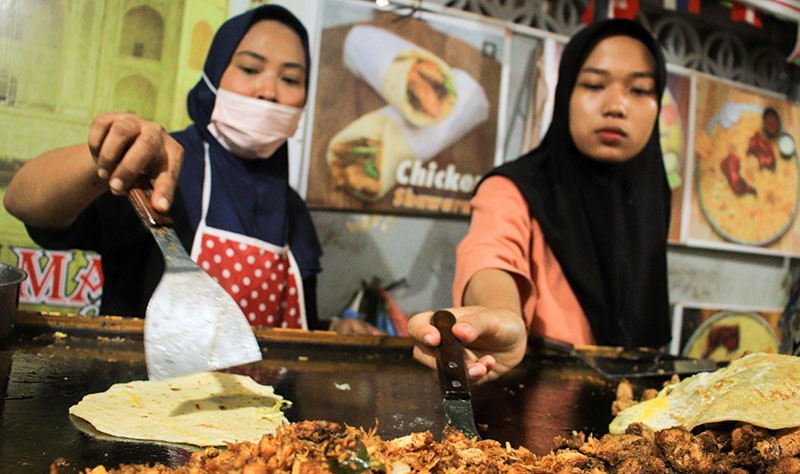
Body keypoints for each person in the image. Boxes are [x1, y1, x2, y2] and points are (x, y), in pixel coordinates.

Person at [4, 5, 379, 335]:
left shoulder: (293, 212)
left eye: (290, 79)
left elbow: (294, 328)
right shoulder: (160, 172)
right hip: (145, 407)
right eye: (250, 68)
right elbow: (24, 202)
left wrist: (333, 329)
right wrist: (106, 161)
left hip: (269, 413)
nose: (268, 91)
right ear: (214, 75)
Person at [408, 18, 672, 383]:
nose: (617, 106)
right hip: (538, 413)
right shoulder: (512, 188)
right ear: (565, 94)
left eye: (640, 90)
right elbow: (490, 255)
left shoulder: (652, 194)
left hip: (641, 409)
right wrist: (497, 316)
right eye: (594, 84)